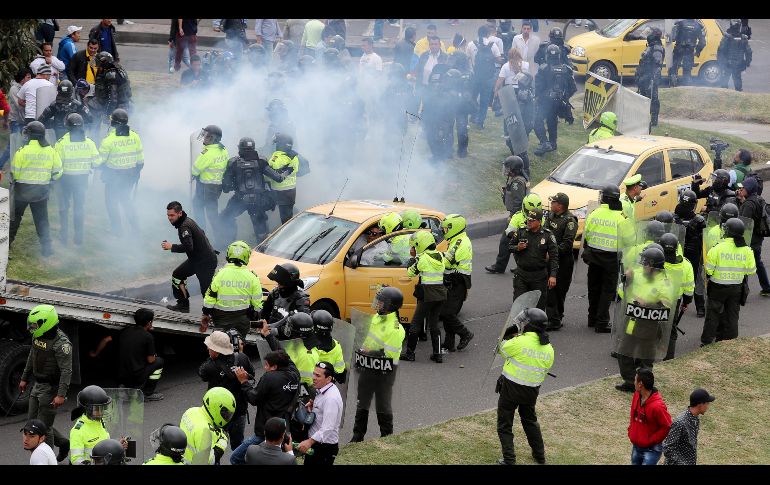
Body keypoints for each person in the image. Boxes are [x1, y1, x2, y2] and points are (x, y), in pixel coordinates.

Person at [495, 308, 554, 465]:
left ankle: (509, 459)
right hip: (531, 392)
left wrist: (508, 334)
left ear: (529, 325)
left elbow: (501, 349)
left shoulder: (519, 342)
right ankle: (539, 456)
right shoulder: (549, 349)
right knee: (530, 422)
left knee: (504, 425)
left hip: (510, 390)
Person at [350, 287, 406, 442]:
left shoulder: (395, 329)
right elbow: (368, 340)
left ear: (390, 306)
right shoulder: (376, 318)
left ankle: (387, 436)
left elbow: (388, 355)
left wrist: (368, 352)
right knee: (362, 402)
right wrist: (360, 351)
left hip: (384, 372)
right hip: (368, 367)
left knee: (383, 404)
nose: (377, 305)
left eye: (381, 303)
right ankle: (357, 435)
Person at [19, 305, 71, 462]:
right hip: (37, 385)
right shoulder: (38, 336)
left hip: (50, 389)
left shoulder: (61, 345)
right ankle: (64, 442)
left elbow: (66, 371)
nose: (31, 328)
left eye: (34, 325)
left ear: (46, 323)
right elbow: (32, 356)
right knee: (32, 423)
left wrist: (61, 395)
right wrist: (24, 377)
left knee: (44, 428)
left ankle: (45, 459)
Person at [231, 347, 300, 465]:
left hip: (266, 432)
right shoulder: (295, 375)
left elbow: (253, 398)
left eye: (267, 365)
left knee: (235, 458)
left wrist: (244, 382)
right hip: (283, 430)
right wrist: (268, 336)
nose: (265, 368)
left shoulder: (269, 377)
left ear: (275, 367)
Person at [8, 120, 62, 256]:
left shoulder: (22, 151)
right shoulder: (51, 151)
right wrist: (50, 180)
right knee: (42, 220)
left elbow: (15, 172)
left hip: (22, 191)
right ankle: (47, 249)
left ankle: (6, 244)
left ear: (30, 135)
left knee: (15, 219)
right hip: (41, 192)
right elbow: (58, 171)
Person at [702, 218, 756, 345]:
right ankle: (731, 342)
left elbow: (708, 270)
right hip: (736, 288)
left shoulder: (717, 248)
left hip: (717, 287)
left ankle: (707, 341)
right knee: (732, 315)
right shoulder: (747, 250)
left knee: (713, 315)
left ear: (728, 231)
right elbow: (751, 270)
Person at [220, 137, 285, 243]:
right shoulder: (261, 161)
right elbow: (277, 178)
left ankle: (229, 242)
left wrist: (232, 185)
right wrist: (285, 172)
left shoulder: (233, 162)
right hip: (258, 201)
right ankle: (264, 248)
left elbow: (226, 187)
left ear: (240, 148)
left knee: (225, 217)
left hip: (240, 200)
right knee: (261, 230)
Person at [583, 184, 628, 333]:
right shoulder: (620, 217)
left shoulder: (594, 214)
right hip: (611, 259)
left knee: (593, 288)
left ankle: (592, 318)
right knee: (607, 291)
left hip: (594, 256)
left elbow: (587, 235)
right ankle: (602, 322)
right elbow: (628, 238)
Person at [199, 330, 255, 450]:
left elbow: (202, 374)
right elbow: (252, 373)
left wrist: (211, 359)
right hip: (239, 410)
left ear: (216, 351)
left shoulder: (209, 367)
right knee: (238, 445)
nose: (208, 350)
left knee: (214, 445)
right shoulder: (242, 358)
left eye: (210, 348)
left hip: (217, 413)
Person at [162, 201, 218, 312]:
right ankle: (183, 305)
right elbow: (201, 234)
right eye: (168, 215)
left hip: (205, 262)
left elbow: (188, 247)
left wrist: (171, 246)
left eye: (172, 215)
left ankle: (215, 314)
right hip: (196, 260)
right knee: (178, 275)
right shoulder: (186, 221)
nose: (169, 218)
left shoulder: (184, 226)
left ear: (180, 213)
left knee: (206, 291)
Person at [200, 240, 264, 339]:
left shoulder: (220, 274)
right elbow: (257, 302)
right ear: (246, 256)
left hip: (221, 319)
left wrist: (206, 313)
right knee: (240, 344)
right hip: (242, 319)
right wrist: (255, 315)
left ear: (229, 255)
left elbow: (210, 297)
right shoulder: (252, 277)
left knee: (219, 344)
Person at [401, 231, 447, 363]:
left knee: (415, 323)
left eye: (414, 246)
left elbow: (410, 273)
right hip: (441, 294)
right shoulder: (440, 255)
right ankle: (438, 354)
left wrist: (411, 260)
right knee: (434, 325)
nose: (412, 249)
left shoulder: (422, 259)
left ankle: (410, 353)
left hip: (427, 295)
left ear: (420, 245)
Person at [95, 108, 142, 236]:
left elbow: (100, 161)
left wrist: (92, 163)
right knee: (127, 201)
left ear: (113, 123)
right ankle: (136, 229)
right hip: (130, 176)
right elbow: (140, 160)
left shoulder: (108, 140)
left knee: (111, 203)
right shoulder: (135, 136)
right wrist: (136, 172)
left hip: (113, 178)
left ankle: (117, 230)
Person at [510, 207, 558, 311]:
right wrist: (517, 247)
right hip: (522, 275)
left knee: (538, 308)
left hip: (539, 277)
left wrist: (553, 275)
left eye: (532, 220)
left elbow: (554, 257)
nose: (529, 222)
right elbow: (509, 247)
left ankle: (536, 327)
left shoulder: (547, 235)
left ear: (539, 222)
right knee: (518, 306)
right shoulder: (521, 232)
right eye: (528, 219)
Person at [439, 214, 475, 352]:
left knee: (447, 313)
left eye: (446, 229)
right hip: (454, 280)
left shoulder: (460, 242)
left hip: (457, 280)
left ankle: (465, 334)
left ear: (454, 228)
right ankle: (449, 343)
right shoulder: (457, 239)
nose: (444, 231)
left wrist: (433, 258)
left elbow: (447, 262)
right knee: (449, 312)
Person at [533, 44, 576, 156]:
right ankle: (552, 143)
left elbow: (538, 87)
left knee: (537, 120)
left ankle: (544, 143)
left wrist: (539, 98)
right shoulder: (567, 69)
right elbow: (573, 88)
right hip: (560, 102)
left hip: (546, 103)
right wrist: (564, 97)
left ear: (547, 55)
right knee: (552, 121)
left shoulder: (543, 69)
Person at [486, 157, 527, 275]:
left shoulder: (517, 183)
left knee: (506, 241)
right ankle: (522, 266)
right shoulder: (517, 179)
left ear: (514, 168)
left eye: (508, 167)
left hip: (516, 216)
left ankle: (499, 266)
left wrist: (513, 216)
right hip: (518, 215)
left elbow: (518, 201)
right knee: (518, 241)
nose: (506, 170)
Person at [297, 362, 343, 465]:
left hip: (324, 448)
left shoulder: (331, 399)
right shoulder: (323, 389)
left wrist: (309, 442)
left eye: (318, 375)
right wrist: (314, 407)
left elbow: (328, 428)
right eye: (313, 374)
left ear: (328, 379)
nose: (313, 377)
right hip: (317, 444)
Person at [544, 193, 578, 330]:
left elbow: (567, 244)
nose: (551, 204)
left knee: (559, 290)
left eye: (554, 202)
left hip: (563, 262)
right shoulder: (550, 216)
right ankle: (553, 318)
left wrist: (551, 253)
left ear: (560, 205)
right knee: (550, 289)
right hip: (550, 259)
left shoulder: (570, 221)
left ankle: (556, 318)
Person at [660, 233, 695, 360]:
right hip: (674, 301)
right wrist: (686, 302)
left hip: (654, 299)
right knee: (670, 328)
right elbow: (689, 288)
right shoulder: (686, 265)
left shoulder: (655, 261)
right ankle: (669, 358)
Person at [180, 387, 236, 465]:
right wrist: (222, 442)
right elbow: (209, 461)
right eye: (226, 414)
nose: (227, 417)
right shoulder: (205, 431)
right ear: (217, 408)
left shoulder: (191, 411)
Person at [118, 308, 164, 401]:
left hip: (121, 375)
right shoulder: (148, 336)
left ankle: (124, 386)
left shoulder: (125, 331)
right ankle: (147, 393)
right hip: (135, 375)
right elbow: (151, 360)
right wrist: (154, 355)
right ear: (149, 322)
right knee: (159, 361)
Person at [674, 190, 707, 316]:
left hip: (680, 252)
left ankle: (677, 303)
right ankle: (700, 308)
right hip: (694, 253)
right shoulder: (699, 220)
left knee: (678, 277)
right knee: (697, 278)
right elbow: (704, 239)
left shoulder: (674, 218)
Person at [69, 385, 121, 464]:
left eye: (103, 408)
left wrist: (116, 446)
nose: (102, 412)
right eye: (98, 409)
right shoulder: (78, 431)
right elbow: (75, 459)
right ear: (88, 409)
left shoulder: (100, 422)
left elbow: (104, 444)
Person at [662, 388, 715, 465]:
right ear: (700, 404)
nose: (708, 406)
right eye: (707, 403)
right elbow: (668, 448)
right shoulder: (680, 422)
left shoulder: (695, 418)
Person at [191, 124, 228, 233]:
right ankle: (219, 237)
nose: (204, 138)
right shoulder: (223, 149)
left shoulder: (207, 153)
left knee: (199, 207)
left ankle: (202, 233)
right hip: (216, 186)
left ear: (213, 138)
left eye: (207, 136)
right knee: (212, 213)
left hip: (206, 187)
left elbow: (194, 170)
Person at [736, 177, 770, 296]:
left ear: (749, 189)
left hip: (750, 239)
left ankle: (742, 291)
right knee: (757, 262)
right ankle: (766, 288)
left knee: (744, 264)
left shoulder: (749, 204)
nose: (740, 189)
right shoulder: (759, 199)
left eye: (743, 187)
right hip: (758, 237)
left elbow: (743, 223)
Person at [467, 25, 503, 129]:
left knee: (472, 97)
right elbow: (498, 60)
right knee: (484, 101)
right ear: (488, 34)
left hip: (475, 76)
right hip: (488, 78)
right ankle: (480, 122)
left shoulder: (471, 44)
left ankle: (473, 116)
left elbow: (467, 58)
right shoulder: (492, 45)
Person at [261, 262, 312, 328]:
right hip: (270, 332)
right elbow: (265, 312)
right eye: (278, 282)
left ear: (290, 283)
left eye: (281, 283)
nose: (278, 285)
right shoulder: (275, 293)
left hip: (289, 336)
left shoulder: (301, 298)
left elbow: (303, 324)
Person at [267, 133, 300, 223]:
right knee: (287, 214)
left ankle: (289, 234)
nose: (276, 145)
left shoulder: (282, 157)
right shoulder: (289, 156)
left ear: (281, 144)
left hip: (283, 193)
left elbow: (272, 171)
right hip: (285, 191)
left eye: (277, 143)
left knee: (286, 219)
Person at [636, 28, 664, 127]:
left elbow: (657, 65)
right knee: (643, 97)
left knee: (653, 98)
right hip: (644, 76)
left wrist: (653, 79)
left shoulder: (657, 47)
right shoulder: (651, 46)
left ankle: (653, 120)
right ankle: (643, 117)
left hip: (651, 78)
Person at [92, 52, 132, 122]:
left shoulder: (111, 75)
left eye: (98, 62)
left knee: (114, 129)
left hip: (118, 109)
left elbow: (112, 99)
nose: (97, 65)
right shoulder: (119, 69)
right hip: (126, 104)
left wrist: (108, 114)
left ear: (104, 62)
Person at [312, 310, 347, 382]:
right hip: (328, 385)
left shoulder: (308, 346)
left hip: (310, 385)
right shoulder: (337, 346)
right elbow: (340, 372)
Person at [669, 19, 706, 87]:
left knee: (674, 67)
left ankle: (673, 85)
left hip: (679, 49)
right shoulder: (698, 26)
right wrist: (697, 51)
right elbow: (702, 42)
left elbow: (673, 37)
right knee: (687, 69)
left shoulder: (679, 23)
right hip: (690, 50)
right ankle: (686, 87)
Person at [718, 19, 751, 92]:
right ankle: (738, 95)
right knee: (737, 81)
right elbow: (749, 52)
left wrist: (720, 62)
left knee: (724, 82)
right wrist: (747, 63)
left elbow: (720, 50)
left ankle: (723, 95)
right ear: (739, 26)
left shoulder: (727, 37)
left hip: (727, 64)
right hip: (738, 64)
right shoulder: (743, 38)